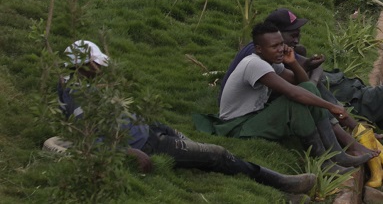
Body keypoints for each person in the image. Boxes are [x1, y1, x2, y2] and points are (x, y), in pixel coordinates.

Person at [219, 8, 383, 167]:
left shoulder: (276, 57)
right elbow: (303, 89)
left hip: (349, 98)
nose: (292, 41)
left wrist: (302, 63)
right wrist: (339, 111)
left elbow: (304, 82)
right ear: (266, 41)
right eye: (287, 37)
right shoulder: (257, 61)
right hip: (353, 101)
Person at [58, 40, 316, 195]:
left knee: (190, 145)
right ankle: (281, 182)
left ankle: (192, 151)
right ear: (82, 66)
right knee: (218, 154)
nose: (102, 69)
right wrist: (128, 153)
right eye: (97, 65)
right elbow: (88, 137)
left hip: (146, 129)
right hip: (144, 144)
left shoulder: (79, 84)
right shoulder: (77, 98)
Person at [203, 22, 376, 171]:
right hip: (237, 126)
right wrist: (331, 106)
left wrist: (292, 62)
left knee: (307, 88)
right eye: (274, 47)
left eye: (281, 44)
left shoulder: (269, 61)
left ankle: (337, 155)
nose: (280, 50)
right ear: (258, 48)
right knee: (294, 103)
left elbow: (301, 83)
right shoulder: (254, 64)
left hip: (253, 118)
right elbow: (293, 92)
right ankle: (325, 163)